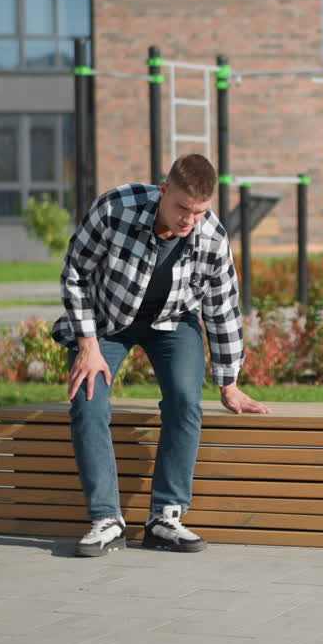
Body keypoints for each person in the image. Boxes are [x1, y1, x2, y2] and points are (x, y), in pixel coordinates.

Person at [51, 153, 269, 558]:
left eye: (199, 212)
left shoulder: (212, 238)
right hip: (105, 320)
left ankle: (165, 517)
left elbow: (222, 307)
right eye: (181, 208)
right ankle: (106, 520)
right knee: (89, 400)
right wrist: (87, 345)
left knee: (187, 401)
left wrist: (230, 382)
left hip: (171, 321)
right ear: (163, 191)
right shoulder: (115, 209)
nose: (188, 220)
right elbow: (75, 271)